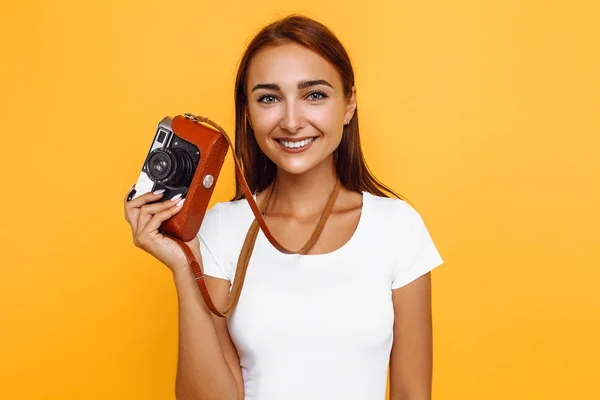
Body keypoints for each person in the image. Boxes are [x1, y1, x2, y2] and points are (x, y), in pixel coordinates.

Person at [124, 14, 444, 400]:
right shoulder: (219, 230)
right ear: (248, 112)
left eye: (315, 95)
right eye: (269, 98)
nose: (291, 121)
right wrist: (183, 267)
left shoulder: (398, 228)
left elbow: (412, 393)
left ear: (349, 105)